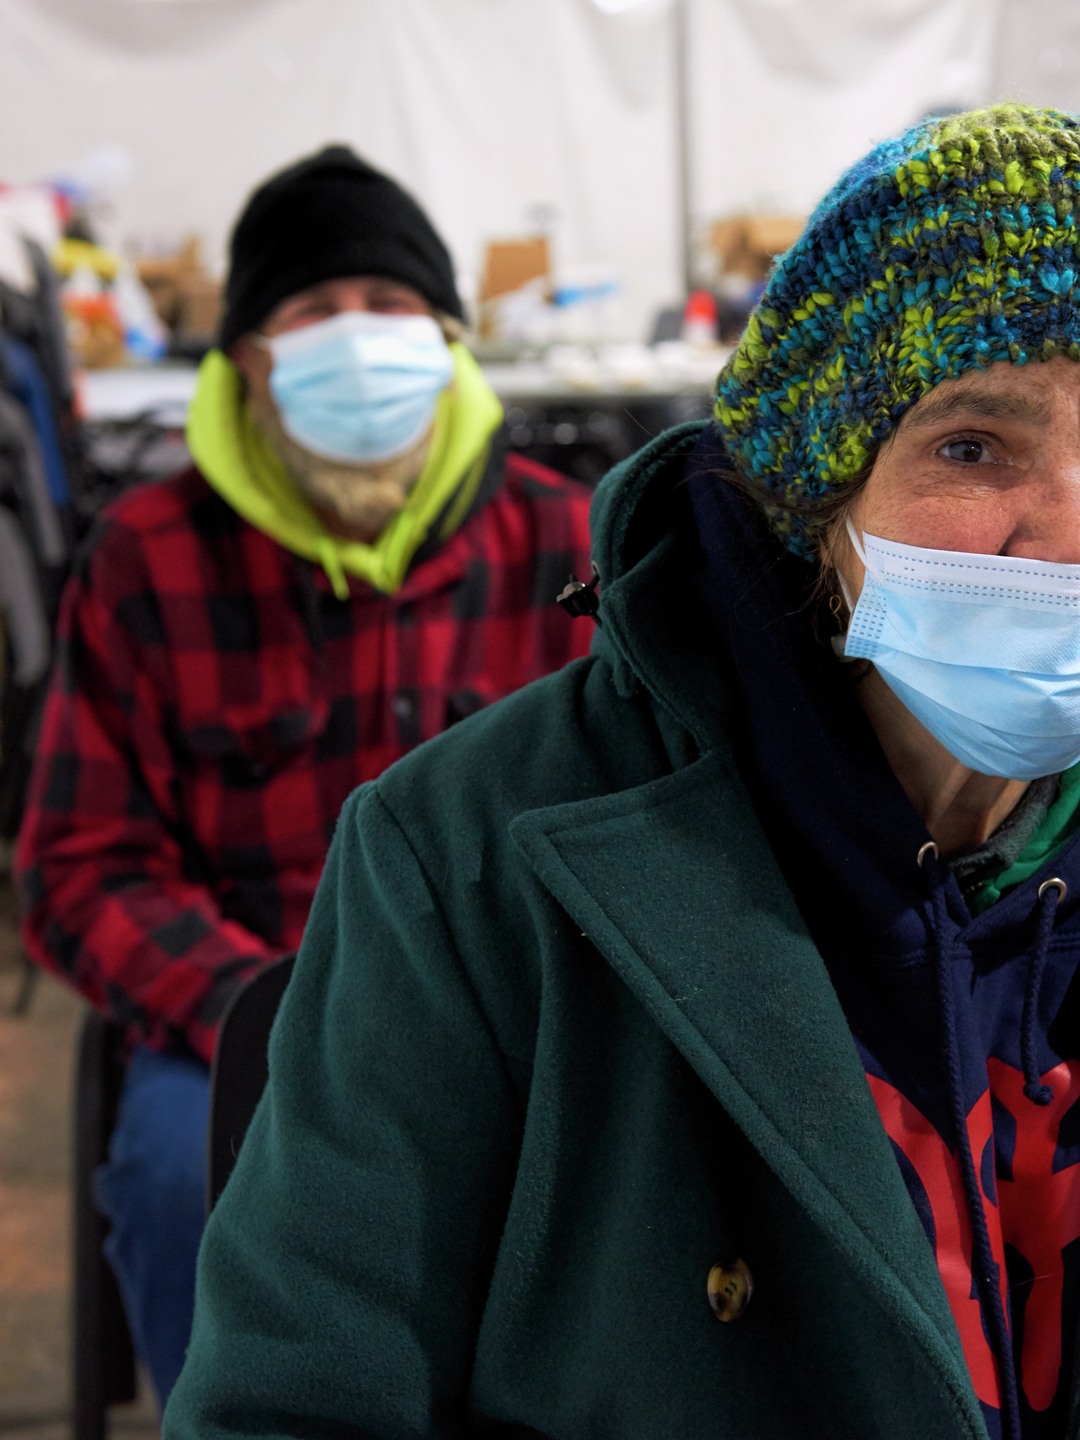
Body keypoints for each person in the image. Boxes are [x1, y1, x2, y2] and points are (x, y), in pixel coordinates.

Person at [164, 105, 1080, 1440]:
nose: (1065, 541)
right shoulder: (461, 867)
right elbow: (293, 1403)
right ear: (817, 504)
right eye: (971, 446)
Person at [14, 145, 594, 1410]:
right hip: (240, 1008)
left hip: (520, 1010)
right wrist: (256, 1008)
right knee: (180, 1169)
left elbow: (641, 812)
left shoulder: (568, 544)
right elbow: (79, 863)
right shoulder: (145, 561)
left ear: (447, 336)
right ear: (247, 359)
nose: (358, 337)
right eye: (311, 311)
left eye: (389, 308)